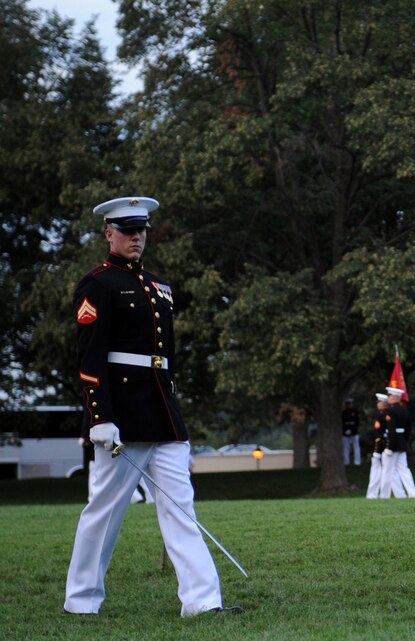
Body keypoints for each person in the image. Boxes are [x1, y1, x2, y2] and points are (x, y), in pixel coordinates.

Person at [64, 197, 240, 616]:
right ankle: (81, 601)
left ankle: (201, 602)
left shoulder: (160, 286)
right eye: (127, 230)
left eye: (141, 229)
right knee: (104, 511)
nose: (136, 237)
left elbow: (166, 355)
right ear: (109, 234)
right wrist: (100, 417)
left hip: (163, 409)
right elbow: (90, 359)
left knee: (181, 507)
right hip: (122, 415)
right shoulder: (98, 284)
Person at [383, 386, 415, 497]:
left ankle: (384, 495)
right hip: (402, 441)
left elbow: (391, 430)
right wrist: (404, 441)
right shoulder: (404, 410)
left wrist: (389, 446)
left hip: (393, 444)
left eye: (389, 396)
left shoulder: (391, 411)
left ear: (394, 398)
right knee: (404, 469)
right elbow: (408, 428)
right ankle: (412, 494)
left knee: (388, 470)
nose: (388, 398)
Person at [366, 393, 389, 499]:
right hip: (380, 447)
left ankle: (374, 494)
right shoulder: (381, 415)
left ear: (384, 404)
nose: (378, 404)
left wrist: (379, 449)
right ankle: (373, 494)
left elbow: (383, 434)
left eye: (379, 402)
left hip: (382, 448)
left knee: (378, 472)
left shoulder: (384, 416)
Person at [342, 397, 361, 466]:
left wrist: (351, 430)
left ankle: (357, 462)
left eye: (350, 404)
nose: (349, 405)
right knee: (346, 447)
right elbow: (343, 423)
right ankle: (346, 462)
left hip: (354, 431)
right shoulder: (343, 413)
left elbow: (357, 422)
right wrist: (346, 430)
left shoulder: (355, 412)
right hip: (345, 432)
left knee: (356, 446)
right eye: (348, 404)